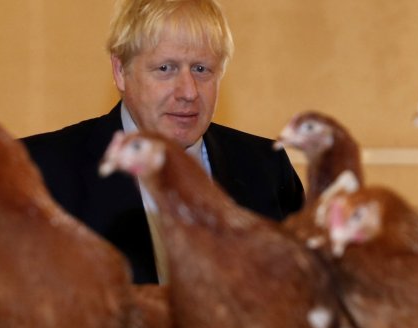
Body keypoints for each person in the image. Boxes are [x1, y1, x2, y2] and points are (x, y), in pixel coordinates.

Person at [18, 0, 304, 284]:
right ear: (120, 71)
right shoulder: (39, 173)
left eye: (202, 69)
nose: (189, 92)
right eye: (166, 68)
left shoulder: (267, 169)